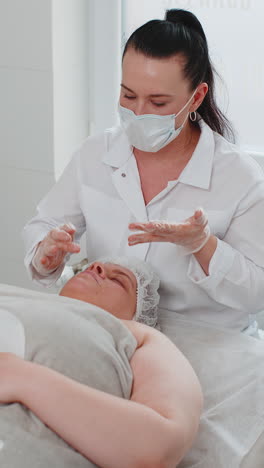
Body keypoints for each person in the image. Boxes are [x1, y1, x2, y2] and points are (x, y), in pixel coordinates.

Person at [22, 8, 264, 333]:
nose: (137, 112)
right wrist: (45, 253)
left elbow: (256, 294)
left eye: (158, 103)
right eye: (128, 95)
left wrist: (202, 245)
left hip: (208, 345)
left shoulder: (240, 178)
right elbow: (46, 224)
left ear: (196, 98)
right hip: (112, 335)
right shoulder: (96, 154)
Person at [0, 257, 203, 468]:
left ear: (139, 312)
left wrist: (20, 376)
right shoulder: (17, 297)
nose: (96, 266)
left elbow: (160, 449)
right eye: (90, 266)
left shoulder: (142, 337)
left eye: (119, 280)